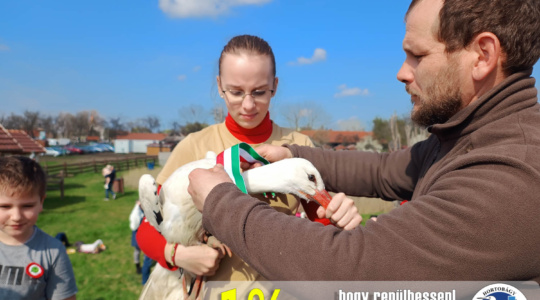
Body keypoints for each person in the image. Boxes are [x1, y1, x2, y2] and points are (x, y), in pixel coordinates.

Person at [188, 0, 540, 281]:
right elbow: (385, 169)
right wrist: (292, 155)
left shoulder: (510, 176)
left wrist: (221, 200)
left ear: (483, 56)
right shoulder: (466, 137)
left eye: (417, 55)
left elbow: (345, 268)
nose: (402, 72)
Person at [136, 34, 362, 296]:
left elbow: (319, 230)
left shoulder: (298, 146)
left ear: (274, 86)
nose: (248, 104)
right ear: (219, 86)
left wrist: (338, 221)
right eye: (235, 92)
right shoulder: (194, 146)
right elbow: (147, 229)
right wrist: (178, 254)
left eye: (259, 92)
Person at [0, 156, 78, 299]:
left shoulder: (53, 252)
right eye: (5, 206)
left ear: (41, 202)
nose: (16, 216)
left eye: (27, 206)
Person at [129, 200, 153, 285]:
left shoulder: (147, 210)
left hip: (145, 234)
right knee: (137, 250)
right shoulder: (137, 211)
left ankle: (144, 268)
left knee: (146, 253)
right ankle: (138, 266)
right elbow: (134, 224)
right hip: (138, 233)